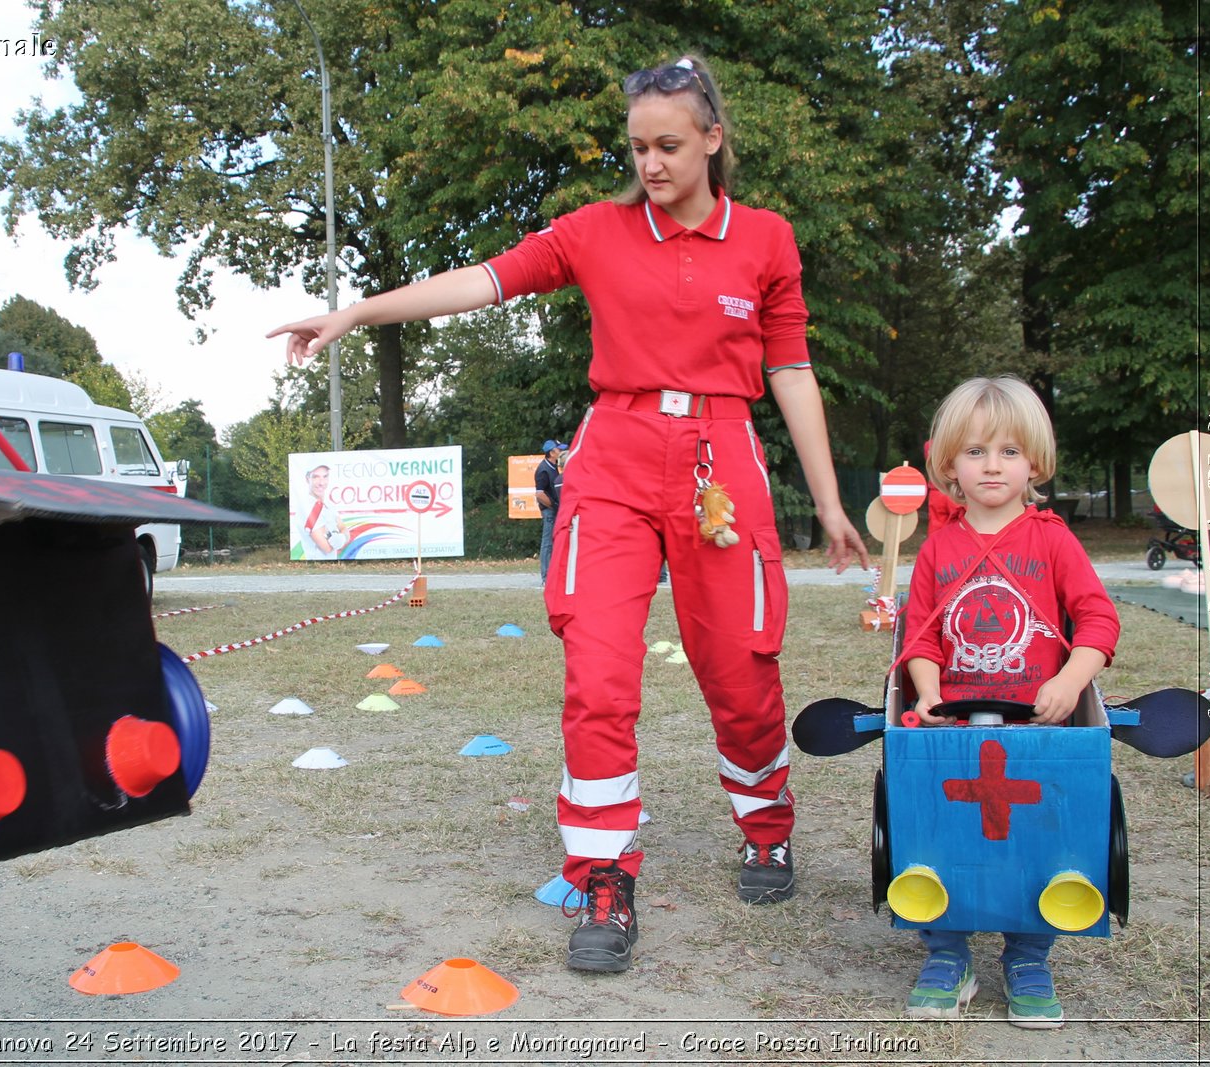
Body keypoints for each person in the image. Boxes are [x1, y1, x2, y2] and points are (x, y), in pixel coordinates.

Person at [270, 53, 867, 974]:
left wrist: (827, 502)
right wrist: (356, 313)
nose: (652, 165)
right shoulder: (595, 230)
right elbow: (483, 280)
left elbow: (788, 369)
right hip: (615, 458)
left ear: (713, 139)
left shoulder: (768, 241)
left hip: (721, 460)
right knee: (597, 673)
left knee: (741, 673)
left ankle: (767, 828)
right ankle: (603, 874)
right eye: (638, 148)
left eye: (669, 145)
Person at [899, 376, 1120, 1028]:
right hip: (954, 729)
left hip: (1039, 728)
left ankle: (1028, 954)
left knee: (1039, 837)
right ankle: (947, 950)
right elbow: (920, 634)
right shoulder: (938, 547)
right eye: (973, 451)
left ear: (1035, 463)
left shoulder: (1052, 540)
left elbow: (1099, 622)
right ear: (949, 466)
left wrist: (1070, 679)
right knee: (943, 831)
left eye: (1007, 451)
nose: (991, 465)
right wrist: (930, 691)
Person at [293, 462, 349, 559]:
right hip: (317, 565)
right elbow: (327, 547)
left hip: (332, 565)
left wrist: (343, 538)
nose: (321, 482)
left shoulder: (328, 504)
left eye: (325, 476)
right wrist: (340, 538)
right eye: (315, 477)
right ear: (307, 479)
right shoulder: (307, 508)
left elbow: (343, 528)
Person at [535, 439, 568, 582]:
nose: (561, 451)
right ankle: (546, 576)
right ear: (551, 452)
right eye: (558, 449)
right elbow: (540, 494)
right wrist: (554, 506)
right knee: (547, 542)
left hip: (554, 508)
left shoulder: (554, 467)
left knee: (554, 541)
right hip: (549, 510)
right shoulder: (543, 469)